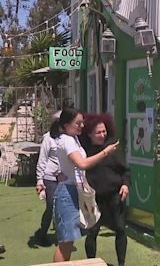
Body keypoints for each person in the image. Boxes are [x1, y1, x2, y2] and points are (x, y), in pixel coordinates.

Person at [51, 108, 119, 263]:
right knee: (66, 241)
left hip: (74, 190)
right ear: (66, 124)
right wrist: (106, 152)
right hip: (67, 193)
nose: (81, 126)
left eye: (82, 122)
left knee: (69, 240)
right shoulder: (67, 141)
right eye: (78, 123)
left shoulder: (73, 138)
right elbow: (82, 164)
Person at [82, 114, 130, 266]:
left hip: (114, 196)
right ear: (89, 134)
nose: (102, 135)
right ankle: (91, 262)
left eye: (104, 131)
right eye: (98, 132)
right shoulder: (84, 151)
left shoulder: (112, 149)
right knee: (92, 232)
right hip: (93, 198)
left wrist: (125, 184)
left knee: (121, 229)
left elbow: (125, 171)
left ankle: (121, 263)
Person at [34, 111, 62, 246]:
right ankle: (42, 232)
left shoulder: (70, 138)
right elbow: (42, 159)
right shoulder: (48, 138)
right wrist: (40, 180)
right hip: (49, 177)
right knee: (51, 205)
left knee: (61, 206)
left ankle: (61, 233)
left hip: (64, 177)